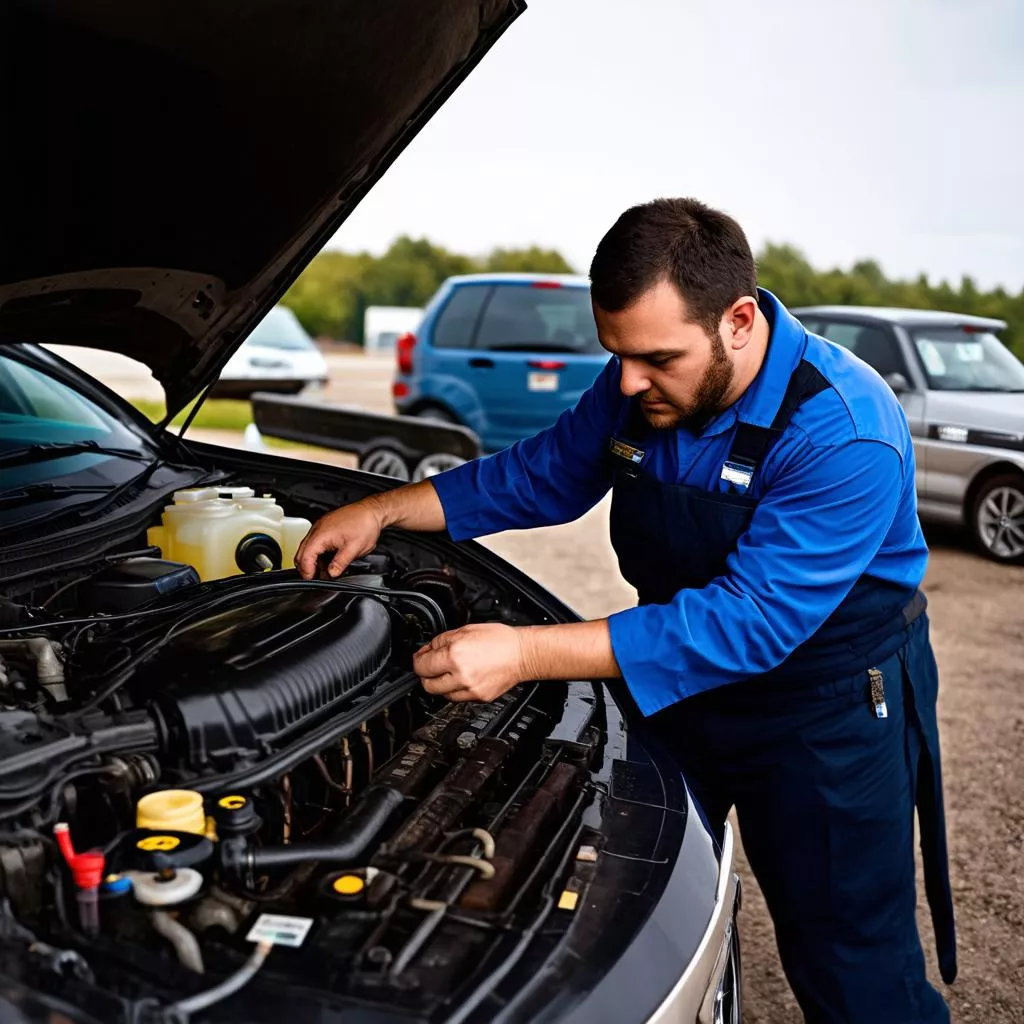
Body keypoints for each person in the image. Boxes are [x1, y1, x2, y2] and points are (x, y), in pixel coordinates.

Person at [295, 198, 955, 1023]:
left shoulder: (843, 429)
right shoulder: (637, 381)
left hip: (822, 708)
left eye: (655, 358)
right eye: (618, 355)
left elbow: (746, 623)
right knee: (637, 902)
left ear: (740, 320)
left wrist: (524, 652)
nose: (629, 381)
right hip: (679, 683)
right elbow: (540, 474)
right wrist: (386, 510)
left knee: (850, 958)